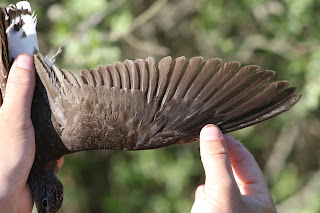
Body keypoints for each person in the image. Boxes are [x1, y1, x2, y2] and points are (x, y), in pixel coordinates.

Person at [0, 54, 276, 213]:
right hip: (19, 65)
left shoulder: (20, 158)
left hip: (15, 64)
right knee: (149, 130)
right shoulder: (19, 158)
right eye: (44, 205)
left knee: (150, 130)